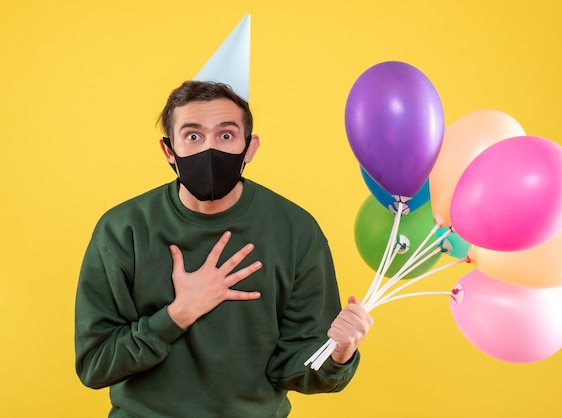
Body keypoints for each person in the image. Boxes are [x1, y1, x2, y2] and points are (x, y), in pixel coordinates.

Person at [74, 80, 373, 417]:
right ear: (169, 150)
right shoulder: (121, 230)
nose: (209, 149)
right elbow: (95, 365)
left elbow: (293, 369)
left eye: (226, 135)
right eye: (193, 136)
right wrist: (179, 313)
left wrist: (339, 353)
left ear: (250, 148)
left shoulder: (295, 231)